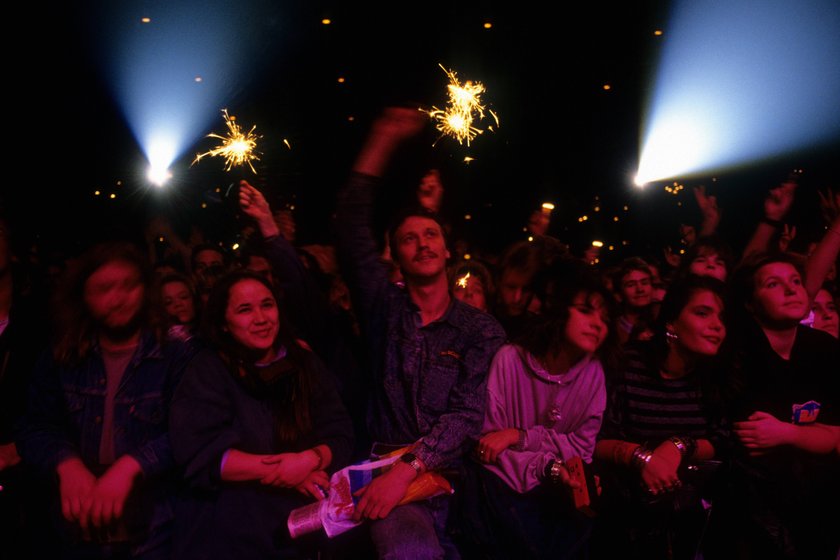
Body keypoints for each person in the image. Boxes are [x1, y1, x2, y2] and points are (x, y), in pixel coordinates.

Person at [335, 107, 506, 559]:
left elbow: (468, 413)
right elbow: (351, 226)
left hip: (456, 479)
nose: (423, 243)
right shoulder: (384, 308)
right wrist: (382, 138)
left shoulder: (480, 328)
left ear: (448, 249)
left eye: (430, 234)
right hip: (385, 473)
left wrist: (410, 467)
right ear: (395, 254)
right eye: (409, 239)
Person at [16, 242, 192, 558]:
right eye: (104, 288)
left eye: (129, 285)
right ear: (82, 295)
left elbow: (190, 431)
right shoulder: (62, 355)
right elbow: (34, 426)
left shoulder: (175, 354)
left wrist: (131, 466)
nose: (118, 298)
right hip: (76, 531)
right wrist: (66, 463)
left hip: (156, 526)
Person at [168, 271, 353, 559]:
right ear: (224, 324)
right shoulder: (208, 369)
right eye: (245, 309)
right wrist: (284, 471)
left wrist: (309, 459)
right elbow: (199, 453)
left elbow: (339, 430)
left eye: (267, 305)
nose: (261, 318)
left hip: (302, 524)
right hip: (233, 527)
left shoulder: (303, 362)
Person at [462, 262, 614, 560]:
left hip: (559, 489)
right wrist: (548, 466)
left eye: (605, 316)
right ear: (556, 308)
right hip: (504, 489)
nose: (598, 323)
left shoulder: (594, 371)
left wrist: (520, 436)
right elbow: (490, 448)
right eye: (585, 310)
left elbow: (582, 449)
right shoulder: (510, 360)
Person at [592, 276, 729, 560]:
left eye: (721, 317)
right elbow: (596, 438)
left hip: (689, 520)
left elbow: (722, 439)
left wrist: (679, 445)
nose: (717, 325)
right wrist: (643, 457)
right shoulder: (627, 364)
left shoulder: (716, 376)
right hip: (623, 515)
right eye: (702, 313)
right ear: (671, 323)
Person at [721, 253, 840, 559]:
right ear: (750, 303)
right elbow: (754, 439)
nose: (791, 290)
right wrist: (818, 435)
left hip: (821, 506)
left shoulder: (824, 348)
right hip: (754, 512)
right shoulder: (735, 354)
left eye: (796, 282)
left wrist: (788, 433)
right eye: (773, 284)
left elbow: (838, 437)